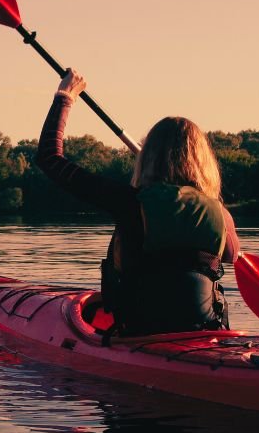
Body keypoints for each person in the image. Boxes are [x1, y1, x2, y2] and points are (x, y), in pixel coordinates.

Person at [35, 70, 240, 336]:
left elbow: (49, 158)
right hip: (205, 332)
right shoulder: (220, 214)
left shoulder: (128, 202)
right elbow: (232, 255)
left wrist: (65, 96)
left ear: (147, 158)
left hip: (140, 334)